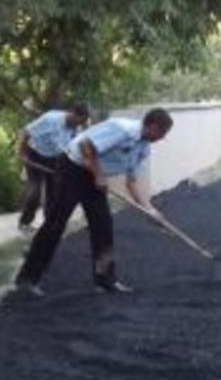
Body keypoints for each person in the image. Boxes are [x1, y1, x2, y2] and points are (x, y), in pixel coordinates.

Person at [15, 108, 174, 297]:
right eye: (162, 134)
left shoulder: (143, 147)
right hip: (72, 170)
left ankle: (105, 280)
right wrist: (99, 174)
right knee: (55, 224)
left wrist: (149, 210)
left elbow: (131, 181)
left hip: (94, 177)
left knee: (103, 226)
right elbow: (85, 145)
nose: (161, 138)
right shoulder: (122, 129)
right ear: (153, 126)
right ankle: (27, 279)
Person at [16, 104, 91, 233]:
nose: (77, 126)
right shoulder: (51, 119)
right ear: (72, 113)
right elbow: (27, 131)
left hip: (54, 160)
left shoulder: (76, 128)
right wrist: (21, 153)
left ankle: (49, 224)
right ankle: (25, 222)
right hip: (35, 155)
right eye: (78, 122)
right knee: (35, 191)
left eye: (81, 123)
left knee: (54, 194)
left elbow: (73, 147)